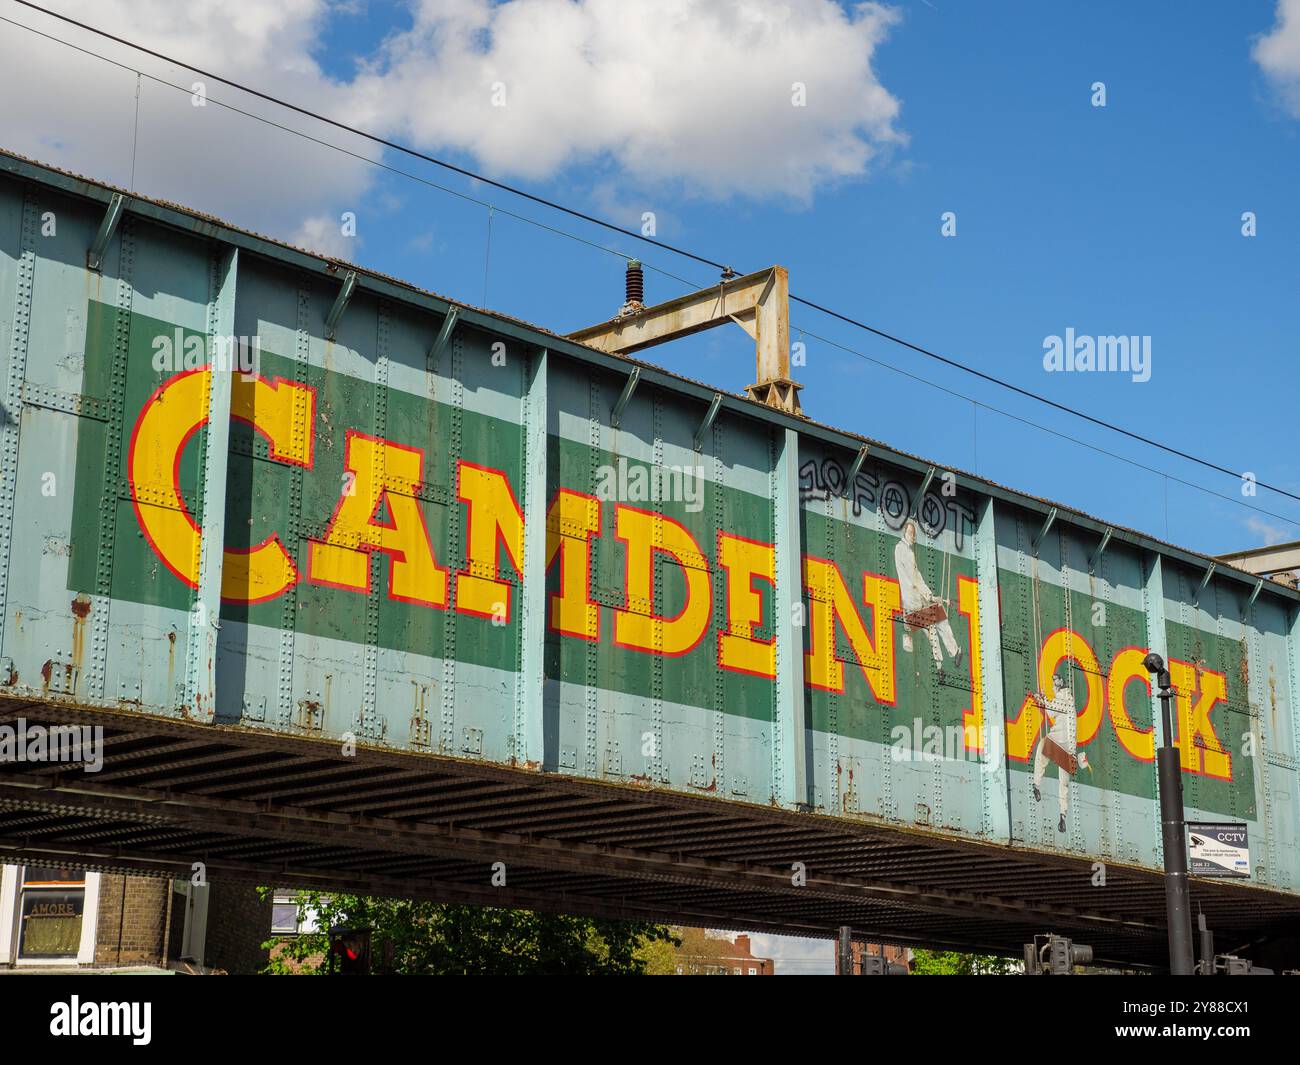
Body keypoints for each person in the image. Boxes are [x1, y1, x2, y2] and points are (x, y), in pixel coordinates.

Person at [893, 519, 962, 672]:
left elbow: (916, 578)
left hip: (912, 603)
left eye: (913, 533)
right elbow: (914, 579)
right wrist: (930, 597)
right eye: (910, 533)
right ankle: (953, 652)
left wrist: (931, 596)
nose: (913, 536)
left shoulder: (905, 550)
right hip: (914, 602)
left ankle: (940, 665)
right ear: (905, 532)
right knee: (939, 621)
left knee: (933, 627)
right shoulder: (903, 550)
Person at [1030, 672, 1090, 833]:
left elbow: (1052, 711)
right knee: (1063, 782)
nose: (1053, 682)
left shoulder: (1065, 695)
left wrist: (1042, 699)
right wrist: (1043, 699)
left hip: (1060, 738)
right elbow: (1053, 709)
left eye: (1055, 679)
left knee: (1042, 750)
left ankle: (1036, 783)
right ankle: (1063, 814)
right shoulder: (1065, 697)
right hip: (1068, 745)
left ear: (1061, 681)